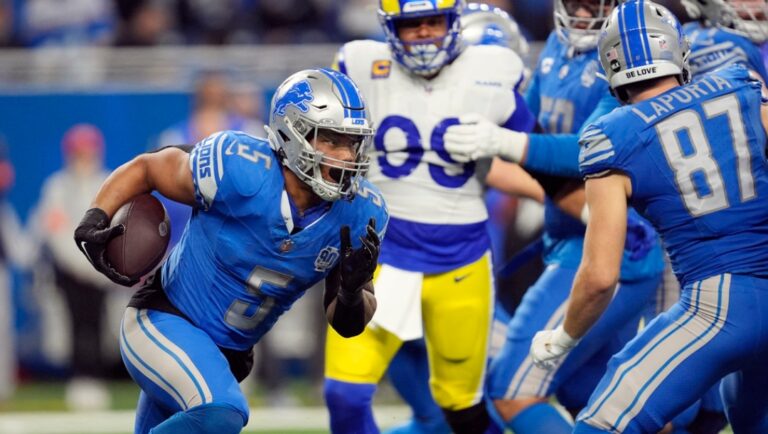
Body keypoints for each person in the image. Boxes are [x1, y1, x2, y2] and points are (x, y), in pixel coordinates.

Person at [73, 68, 388, 434]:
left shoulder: (362, 211)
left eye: (352, 142)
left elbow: (348, 324)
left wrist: (351, 291)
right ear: (292, 133)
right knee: (222, 411)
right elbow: (149, 168)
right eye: (331, 140)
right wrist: (96, 215)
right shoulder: (240, 168)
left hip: (228, 356)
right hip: (167, 321)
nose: (345, 155)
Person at [529, 1, 768, 432]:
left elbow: (601, 276)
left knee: (602, 422)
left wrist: (565, 335)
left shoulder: (612, 136)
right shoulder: (742, 86)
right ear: (677, 50)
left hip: (716, 306)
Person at [444, 0, 664, 432]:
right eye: (576, 5)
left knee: (512, 391)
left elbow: (589, 147)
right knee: (592, 398)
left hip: (606, 250)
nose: (583, 16)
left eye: (594, 5)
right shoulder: (555, 52)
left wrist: (502, 143)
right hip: (576, 241)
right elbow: (523, 138)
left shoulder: (624, 61)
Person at [323, 1, 536, 433]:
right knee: (344, 395)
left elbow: (536, 152)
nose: (422, 33)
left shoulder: (494, 68)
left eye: (432, 21)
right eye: (410, 24)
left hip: (459, 260)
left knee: (462, 409)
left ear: (452, 23)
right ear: (389, 29)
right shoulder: (359, 64)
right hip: (380, 255)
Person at [34, 124, 115, 411]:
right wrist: (79, 264)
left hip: (99, 270)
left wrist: (97, 266)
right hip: (70, 270)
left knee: (97, 325)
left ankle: (96, 378)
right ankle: (79, 380)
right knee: (74, 324)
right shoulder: (57, 185)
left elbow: (114, 226)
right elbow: (56, 229)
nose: (85, 156)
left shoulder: (109, 182)